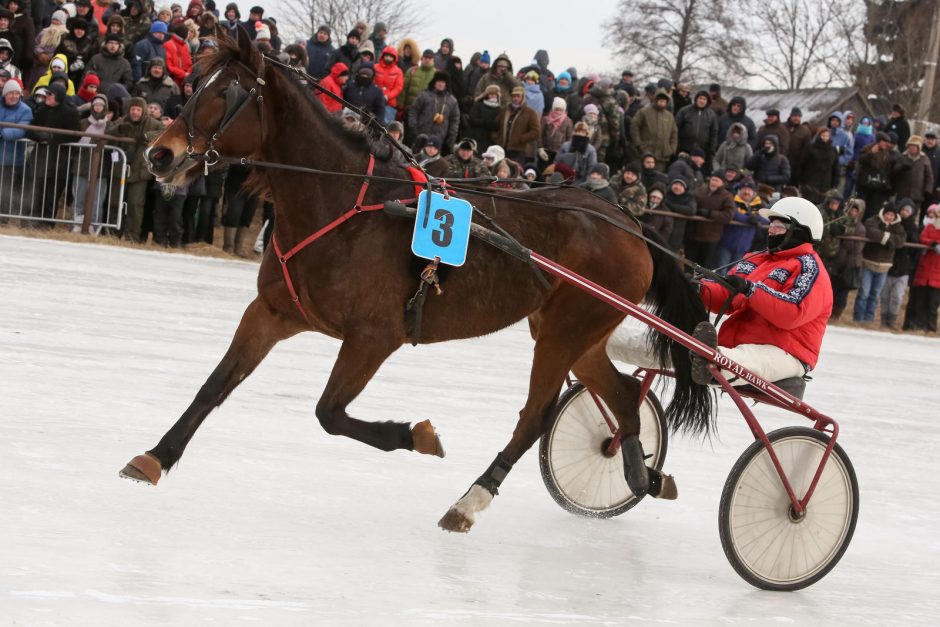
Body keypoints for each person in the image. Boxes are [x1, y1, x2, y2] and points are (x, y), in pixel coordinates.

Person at [691, 197, 832, 386]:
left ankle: (710, 359)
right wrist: (697, 288)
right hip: (741, 345)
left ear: (799, 232)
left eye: (780, 227)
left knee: (729, 358)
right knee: (690, 349)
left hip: (786, 353)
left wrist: (751, 290)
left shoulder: (810, 269)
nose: (771, 231)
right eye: (771, 225)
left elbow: (791, 313)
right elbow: (727, 296)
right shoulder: (756, 259)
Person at [109, 96, 162, 242]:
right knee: (115, 203)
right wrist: (119, 129)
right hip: (120, 169)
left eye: (138, 109)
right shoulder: (123, 121)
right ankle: (113, 233)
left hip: (140, 172)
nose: (135, 112)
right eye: (133, 109)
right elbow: (107, 132)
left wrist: (147, 137)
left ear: (143, 111)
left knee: (135, 205)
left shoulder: (152, 124)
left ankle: (132, 236)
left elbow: (166, 134)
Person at [854, 201, 907, 322]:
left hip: (884, 266)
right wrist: (888, 239)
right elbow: (870, 230)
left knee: (874, 295)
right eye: (887, 214)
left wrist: (886, 238)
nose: (889, 217)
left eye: (892, 215)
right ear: (884, 213)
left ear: (895, 216)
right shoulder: (874, 220)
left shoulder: (898, 227)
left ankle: (869, 319)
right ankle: (858, 318)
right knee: (864, 293)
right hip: (868, 262)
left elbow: (900, 240)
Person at [822, 197, 866, 321]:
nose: (853, 212)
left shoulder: (861, 228)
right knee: (831, 289)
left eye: (856, 210)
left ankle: (836, 316)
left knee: (842, 293)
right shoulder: (839, 221)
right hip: (837, 262)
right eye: (851, 209)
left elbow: (856, 247)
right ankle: (827, 313)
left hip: (850, 264)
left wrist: (843, 236)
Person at [880, 199, 920, 328]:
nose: (904, 212)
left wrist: (911, 265)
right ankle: (883, 321)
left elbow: (916, 248)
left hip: (904, 267)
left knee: (897, 296)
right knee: (885, 295)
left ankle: (891, 321)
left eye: (907, 210)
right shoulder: (894, 224)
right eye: (903, 209)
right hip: (889, 264)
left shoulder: (913, 228)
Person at [713, 177, 766, 272]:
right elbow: (733, 214)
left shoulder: (759, 204)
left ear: (753, 192)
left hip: (743, 247)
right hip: (726, 243)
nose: (746, 192)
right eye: (744, 189)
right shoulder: (732, 200)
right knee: (721, 271)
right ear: (739, 190)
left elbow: (765, 218)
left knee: (734, 273)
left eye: (749, 190)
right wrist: (748, 218)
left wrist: (755, 218)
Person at [902, 204, 940, 332]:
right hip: (924, 271)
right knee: (919, 301)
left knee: (932, 304)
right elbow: (922, 237)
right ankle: (917, 326)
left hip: (937, 274)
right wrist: (932, 243)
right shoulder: (929, 227)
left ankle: (931, 327)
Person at [686, 172, 734, 267]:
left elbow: (728, 215)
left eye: (717, 180)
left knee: (704, 266)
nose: (713, 182)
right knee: (689, 264)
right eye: (712, 179)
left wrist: (708, 213)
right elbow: (690, 203)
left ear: (723, 183)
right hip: (693, 235)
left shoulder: (727, 196)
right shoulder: (699, 191)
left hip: (710, 237)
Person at [409, 70, 459, 154]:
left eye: (443, 82)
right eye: (438, 81)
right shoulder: (424, 95)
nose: (440, 84)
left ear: (446, 84)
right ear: (434, 82)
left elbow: (455, 119)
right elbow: (413, 111)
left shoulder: (452, 100)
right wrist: (414, 129)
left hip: (440, 140)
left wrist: (451, 137)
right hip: (421, 136)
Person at [630, 89, 677, 171]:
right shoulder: (644, 112)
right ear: (656, 100)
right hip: (646, 152)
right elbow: (634, 127)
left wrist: (672, 149)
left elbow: (674, 133)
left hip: (663, 155)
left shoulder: (669, 116)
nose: (662, 103)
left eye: (664, 101)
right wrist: (639, 144)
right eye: (660, 101)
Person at [499, 85, 539, 164]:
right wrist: (496, 138)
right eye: (514, 96)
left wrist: (521, 139)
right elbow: (496, 125)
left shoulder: (530, 112)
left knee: (514, 173)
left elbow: (536, 132)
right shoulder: (505, 110)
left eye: (518, 96)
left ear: (523, 97)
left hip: (518, 150)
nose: (516, 98)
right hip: (502, 148)